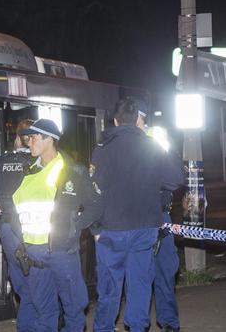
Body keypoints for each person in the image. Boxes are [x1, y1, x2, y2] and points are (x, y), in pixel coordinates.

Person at [89, 98, 184, 332]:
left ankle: (104, 328)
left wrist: (94, 229)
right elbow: (175, 180)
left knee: (110, 289)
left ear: (115, 120)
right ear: (138, 121)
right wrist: (165, 148)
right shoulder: (151, 146)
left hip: (112, 229)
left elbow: (93, 191)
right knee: (140, 286)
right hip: (145, 229)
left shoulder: (102, 150)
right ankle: (138, 328)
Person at [12, 118, 98, 332]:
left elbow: (95, 206)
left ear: (48, 139)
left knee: (73, 310)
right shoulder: (26, 170)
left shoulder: (74, 171)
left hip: (62, 252)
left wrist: (75, 226)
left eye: (33, 137)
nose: (28, 142)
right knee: (44, 313)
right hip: (34, 255)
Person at [0, 119, 36, 332]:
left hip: (10, 234)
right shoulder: (42, 165)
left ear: (17, 138)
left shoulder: (1, 162)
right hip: (39, 236)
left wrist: (1, 227)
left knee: (23, 288)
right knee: (41, 290)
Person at [139, 106, 184, 332]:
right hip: (137, 216)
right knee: (140, 275)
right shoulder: (128, 148)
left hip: (160, 215)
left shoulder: (161, 145)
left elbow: (175, 178)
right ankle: (140, 323)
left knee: (165, 271)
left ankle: (168, 323)